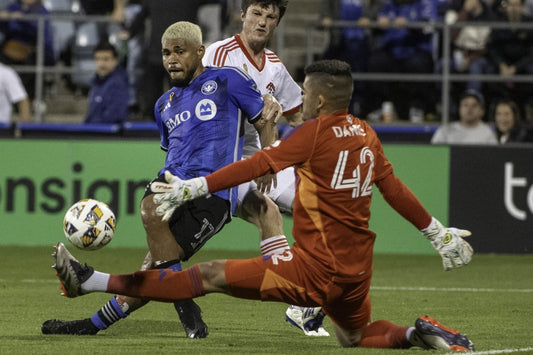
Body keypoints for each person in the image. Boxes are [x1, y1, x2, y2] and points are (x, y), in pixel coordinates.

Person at [52, 59, 475, 351]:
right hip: (357, 268)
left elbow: (255, 164)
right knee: (356, 334)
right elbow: (394, 189)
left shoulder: (312, 134)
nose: (301, 99)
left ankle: (90, 280)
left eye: (306, 92)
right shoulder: (366, 135)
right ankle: (416, 335)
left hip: (315, 272)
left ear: (322, 100)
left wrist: (195, 187)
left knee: (208, 275)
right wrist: (436, 231)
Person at [42, 21, 281, 338]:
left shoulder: (227, 80)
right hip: (173, 185)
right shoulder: (163, 104)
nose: (171, 59)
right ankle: (111, 321)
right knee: (152, 226)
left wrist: (268, 161)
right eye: (166, 53)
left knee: (155, 267)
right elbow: (174, 152)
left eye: (180, 52)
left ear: (199, 52)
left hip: (215, 192)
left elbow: (264, 118)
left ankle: (97, 298)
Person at [202, 0, 328, 336]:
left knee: (320, 207)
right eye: (257, 14)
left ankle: (301, 300)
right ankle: (295, 291)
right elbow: (200, 101)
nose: (262, 22)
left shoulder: (274, 65)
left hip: (260, 153)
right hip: (221, 155)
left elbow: (299, 114)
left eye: (271, 17)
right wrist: (257, 108)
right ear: (242, 15)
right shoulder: (219, 53)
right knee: (266, 210)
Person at [364, 0, 437, 122]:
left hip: (415, 50)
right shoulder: (388, 4)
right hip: (393, 51)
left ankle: (417, 106)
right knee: (376, 62)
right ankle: (383, 106)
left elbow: (430, 26)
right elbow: (376, 18)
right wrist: (378, 22)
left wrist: (410, 24)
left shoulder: (424, 3)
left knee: (419, 64)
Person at [320, 0, 386, 116]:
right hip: (339, 39)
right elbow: (326, 9)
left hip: (362, 41)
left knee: (358, 70)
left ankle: (357, 104)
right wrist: (325, 17)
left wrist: (370, 18)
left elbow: (380, 8)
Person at [485, 0, 533, 122]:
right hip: (503, 63)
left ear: (522, 7)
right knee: (488, 72)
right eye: (511, 5)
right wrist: (501, 64)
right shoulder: (498, 22)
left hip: (523, 63)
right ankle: (495, 109)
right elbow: (492, 48)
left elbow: (531, 52)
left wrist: (516, 67)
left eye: (516, 5)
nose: (513, 8)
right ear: (506, 6)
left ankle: (527, 108)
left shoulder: (529, 22)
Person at [0, 0, 55, 100]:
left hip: (31, 51)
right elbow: (4, 27)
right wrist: (7, 16)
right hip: (10, 49)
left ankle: (28, 100)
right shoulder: (13, 7)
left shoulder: (41, 10)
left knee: (29, 69)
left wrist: (22, 19)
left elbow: (42, 35)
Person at [84, 40, 129, 124]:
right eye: (97, 59)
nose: (101, 64)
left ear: (115, 61)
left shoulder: (118, 84)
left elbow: (113, 117)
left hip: (107, 135)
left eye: (106, 59)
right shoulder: (95, 83)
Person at [431, 89, 498, 144]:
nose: (469, 109)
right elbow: (433, 154)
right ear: (459, 108)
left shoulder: (487, 133)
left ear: (481, 111)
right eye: (465, 105)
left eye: (474, 105)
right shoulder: (445, 130)